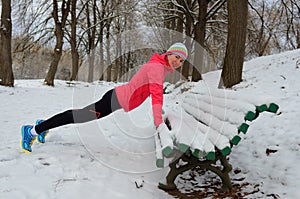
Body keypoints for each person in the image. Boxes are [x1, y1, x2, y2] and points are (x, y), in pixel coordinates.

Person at [20, 42, 188, 153]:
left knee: (78, 116)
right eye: (176, 57)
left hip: (116, 99)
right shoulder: (157, 68)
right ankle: (31, 131)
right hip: (114, 100)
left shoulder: (160, 67)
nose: (178, 62)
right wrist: (158, 121)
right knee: (78, 116)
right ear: (168, 54)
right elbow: (157, 96)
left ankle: (42, 125)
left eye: (181, 61)